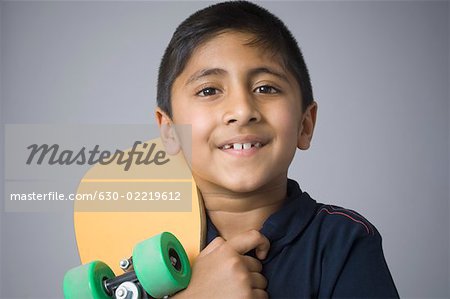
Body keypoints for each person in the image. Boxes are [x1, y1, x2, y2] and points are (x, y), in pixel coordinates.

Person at [155, 1, 399, 298]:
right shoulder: (137, 245)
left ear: (305, 125)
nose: (242, 111)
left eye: (266, 88)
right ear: (170, 132)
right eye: (209, 90)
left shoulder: (344, 242)